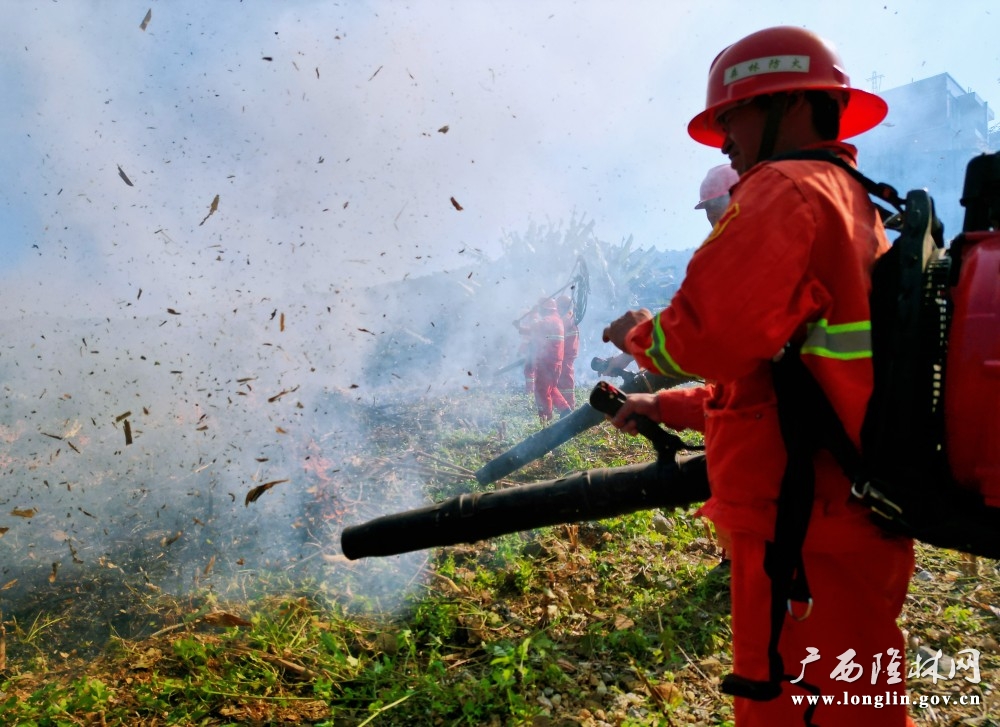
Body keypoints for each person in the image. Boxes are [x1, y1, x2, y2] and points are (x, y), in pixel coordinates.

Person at [602, 27, 915, 727]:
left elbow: (702, 336)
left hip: (804, 524)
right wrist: (663, 402)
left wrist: (635, 334)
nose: (724, 140)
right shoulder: (847, 197)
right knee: (854, 703)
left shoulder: (786, 190)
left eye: (732, 115)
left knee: (796, 708)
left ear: (789, 105)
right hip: (839, 512)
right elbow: (778, 376)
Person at [531, 297, 571, 422]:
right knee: (551, 387)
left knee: (542, 390)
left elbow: (535, 329)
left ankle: (545, 419)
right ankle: (565, 409)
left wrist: (533, 314)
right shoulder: (558, 320)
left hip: (547, 362)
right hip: (555, 362)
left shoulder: (546, 321)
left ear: (544, 309)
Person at [556, 295, 579, 410]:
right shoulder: (569, 317)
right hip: (565, 354)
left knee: (566, 380)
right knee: (561, 379)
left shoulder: (565, 319)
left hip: (566, 354)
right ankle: (564, 406)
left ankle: (569, 406)